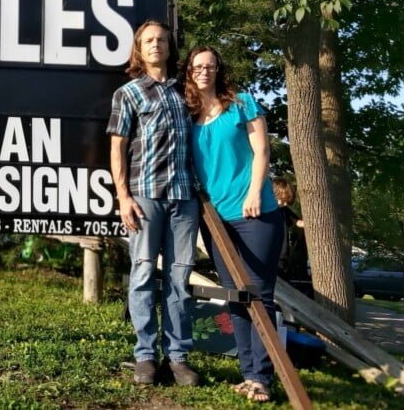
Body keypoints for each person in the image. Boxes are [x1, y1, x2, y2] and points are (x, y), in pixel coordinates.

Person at [183, 45, 284, 403]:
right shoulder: (189, 115)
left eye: (210, 66)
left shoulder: (242, 104)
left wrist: (255, 192)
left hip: (255, 212)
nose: (204, 71)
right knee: (235, 296)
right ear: (189, 71)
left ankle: (263, 378)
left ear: (218, 70)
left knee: (259, 293)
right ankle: (248, 373)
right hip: (216, 220)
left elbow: (262, 151)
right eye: (198, 66)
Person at [106, 20, 200, 387]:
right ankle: (145, 355)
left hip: (184, 197)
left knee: (180, 278)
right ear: (139, 49)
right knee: (143, 274)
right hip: (144, 195)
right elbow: (117, 147)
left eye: (161, 39)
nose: (156, 45)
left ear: (170, 47)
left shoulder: (186, 92)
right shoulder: (128, 93)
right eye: (148, 41)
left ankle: (178, 358)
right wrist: (123, 197)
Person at [273, 177, 312, 296]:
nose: (285, 204)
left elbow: (298, 222)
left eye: (287, 200)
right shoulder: (267, 211)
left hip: (284, 258)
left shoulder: (285, 211)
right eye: (282, 200)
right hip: (273, 257)